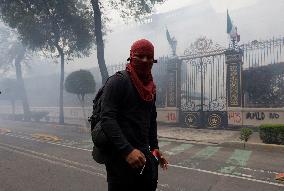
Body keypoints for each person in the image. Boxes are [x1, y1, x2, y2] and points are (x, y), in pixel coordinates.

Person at [100, 39, 168, 191]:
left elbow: (151, 120)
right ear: (131, 57)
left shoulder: (150, 88)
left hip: (144, 157)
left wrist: (155, 149)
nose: (145, 60)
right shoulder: (118, 82)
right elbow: (107, 118)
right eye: (140, 56)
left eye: (149, 57)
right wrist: (127, 150)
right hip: (120, 158)